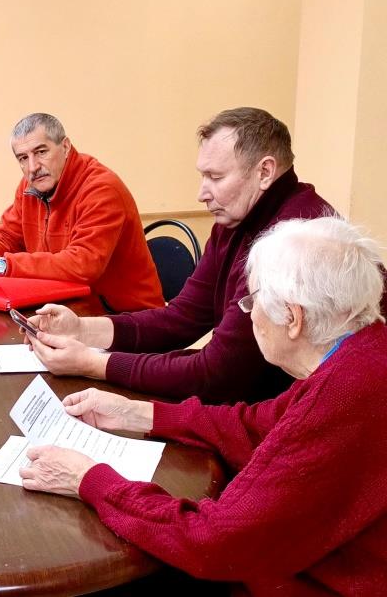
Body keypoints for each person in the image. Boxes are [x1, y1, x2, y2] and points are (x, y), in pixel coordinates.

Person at [21, 217, 387, 595]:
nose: (249, 314)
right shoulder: (363, 350)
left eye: (252, 301)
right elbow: (259, 424)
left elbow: (213, 542)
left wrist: (87, 479)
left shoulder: (343, 396)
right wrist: (140, 413)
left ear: (293, 319)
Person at [25, 108, 335, 403]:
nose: (202, 194)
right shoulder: (237, 218)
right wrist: (81, 330)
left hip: (281, 418)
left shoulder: (296, 239)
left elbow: (217, 373)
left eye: (215, 177)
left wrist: (92, 363)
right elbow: (182, 318)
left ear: (264, 172)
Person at [0, 113, 163, 314]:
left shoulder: (101, 189)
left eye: (41, 152)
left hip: (126, 317)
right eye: (23, 158)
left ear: (65, 147)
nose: (33, 167)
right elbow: (7, 235)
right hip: (65, 304)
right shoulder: (30, 187)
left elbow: (83, 265)